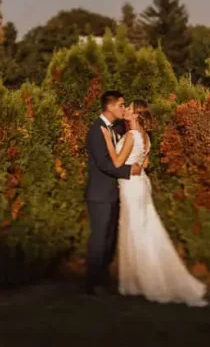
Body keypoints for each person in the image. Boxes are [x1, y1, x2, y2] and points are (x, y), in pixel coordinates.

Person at [101, 99, 209, 307]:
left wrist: (107, 139)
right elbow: (145, 162)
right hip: (141, 184)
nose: (125, 110)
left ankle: (147, 280)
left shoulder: (131, 136)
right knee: (147, 228)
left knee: (135, 230)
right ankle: (140, 280)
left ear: (136, 115)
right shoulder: (146, 137)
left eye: (129, 108)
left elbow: (116, 162)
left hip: (131, 186)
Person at [84, 90, 142, 295]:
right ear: (109, 107)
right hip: (99, 194)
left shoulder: (117, 128)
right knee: (99, 238)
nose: (123, 108)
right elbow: (104, 164)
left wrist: (129, 118)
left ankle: (103, 278)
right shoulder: (96, 130)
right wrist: (129, 171)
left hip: (115, 192)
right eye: (120, 105)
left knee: (109, 238)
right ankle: (93, 283)